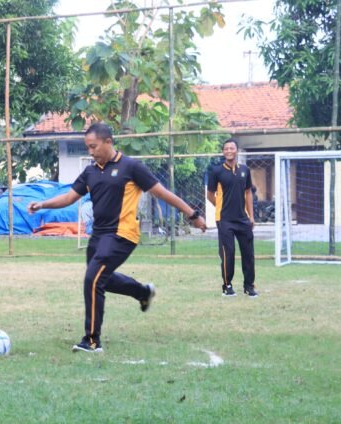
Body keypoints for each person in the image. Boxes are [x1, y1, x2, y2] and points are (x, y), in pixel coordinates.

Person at [28, 123, 207, 353]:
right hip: (99, 236)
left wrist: (192, 214)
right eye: (87, 147)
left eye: (93, 146)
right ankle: (143, 292)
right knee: (103, 280)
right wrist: (42, 204)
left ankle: (92, 341)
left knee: (92, 280)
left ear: (108, 142)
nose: (90, 152)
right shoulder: (90, 171)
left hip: (123, 234)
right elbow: (69, 198)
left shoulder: (131, 167)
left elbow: (163, 193)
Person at [206, 138, 258, 297]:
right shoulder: (216, 171)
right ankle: (227, 285)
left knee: (248, 253)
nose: (229, 151)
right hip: (225, 220)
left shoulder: (244, 170)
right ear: (223, 152)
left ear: (237, 151)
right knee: (228, 253)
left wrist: (251, 216)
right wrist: (222, 207)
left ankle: (249, 286)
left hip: (243, 219)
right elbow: (210, 195)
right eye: (226, 148)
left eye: (232, 148)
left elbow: (248, 192)